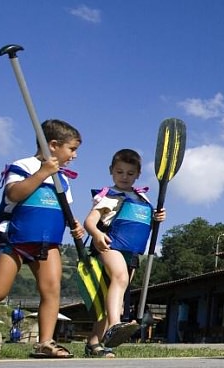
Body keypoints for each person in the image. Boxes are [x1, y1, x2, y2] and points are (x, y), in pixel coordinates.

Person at [0, 119, 85, 359]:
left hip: (47, 241)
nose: (74, 155)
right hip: (15, 237)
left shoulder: (63, 179)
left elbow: (63, 210)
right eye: (71, 149)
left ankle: (45, 342)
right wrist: (43, 173)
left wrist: (75, 225)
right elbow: (14, 193)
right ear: (53, 145)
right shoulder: (24, 165)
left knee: (52, 290)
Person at [83, 149, 166, 357]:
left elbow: (147, 221)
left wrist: (158, 217)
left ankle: (95, 342)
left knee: (114, 299)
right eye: (119, 172)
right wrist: (96, 234)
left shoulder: (142, 198)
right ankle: (115, 326)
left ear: (138, 174)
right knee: (119, 279)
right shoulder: (108, 196)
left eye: (130, 173)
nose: (124, 177)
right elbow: (90, 222)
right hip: (110, 245)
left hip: (131, 253)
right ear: (111, 171)